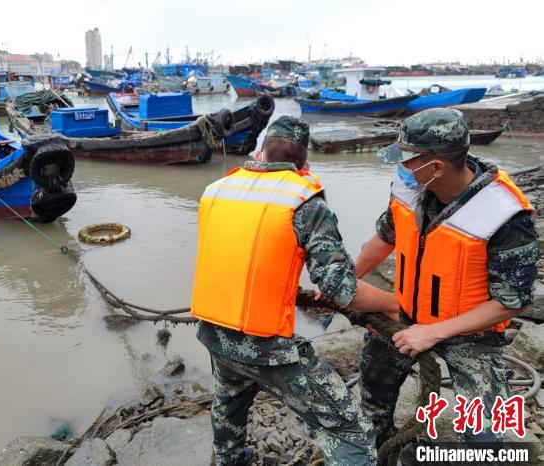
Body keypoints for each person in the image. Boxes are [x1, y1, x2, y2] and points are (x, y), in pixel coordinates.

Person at [191, 116, 401, 466]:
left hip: (213, 332)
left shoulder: (216, 190)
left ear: (260, 155)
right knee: (350, 428)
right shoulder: (303, 199)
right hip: (267, 348)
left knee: (229, 399)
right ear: (305, 165)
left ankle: (230, 460)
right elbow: (340, 288)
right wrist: (391, 303)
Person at [354, 108, 538, 449]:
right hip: (406, 315)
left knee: (484, 434)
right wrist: (345, 280)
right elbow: (385, 236)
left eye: (405, 161)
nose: (399, 169)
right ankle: (378, 446)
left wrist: (434, 332)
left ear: (435, 167)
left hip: (471, 333)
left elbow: (511, 301)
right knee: (373, 386)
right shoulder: (410, 189)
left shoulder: (506, 214)